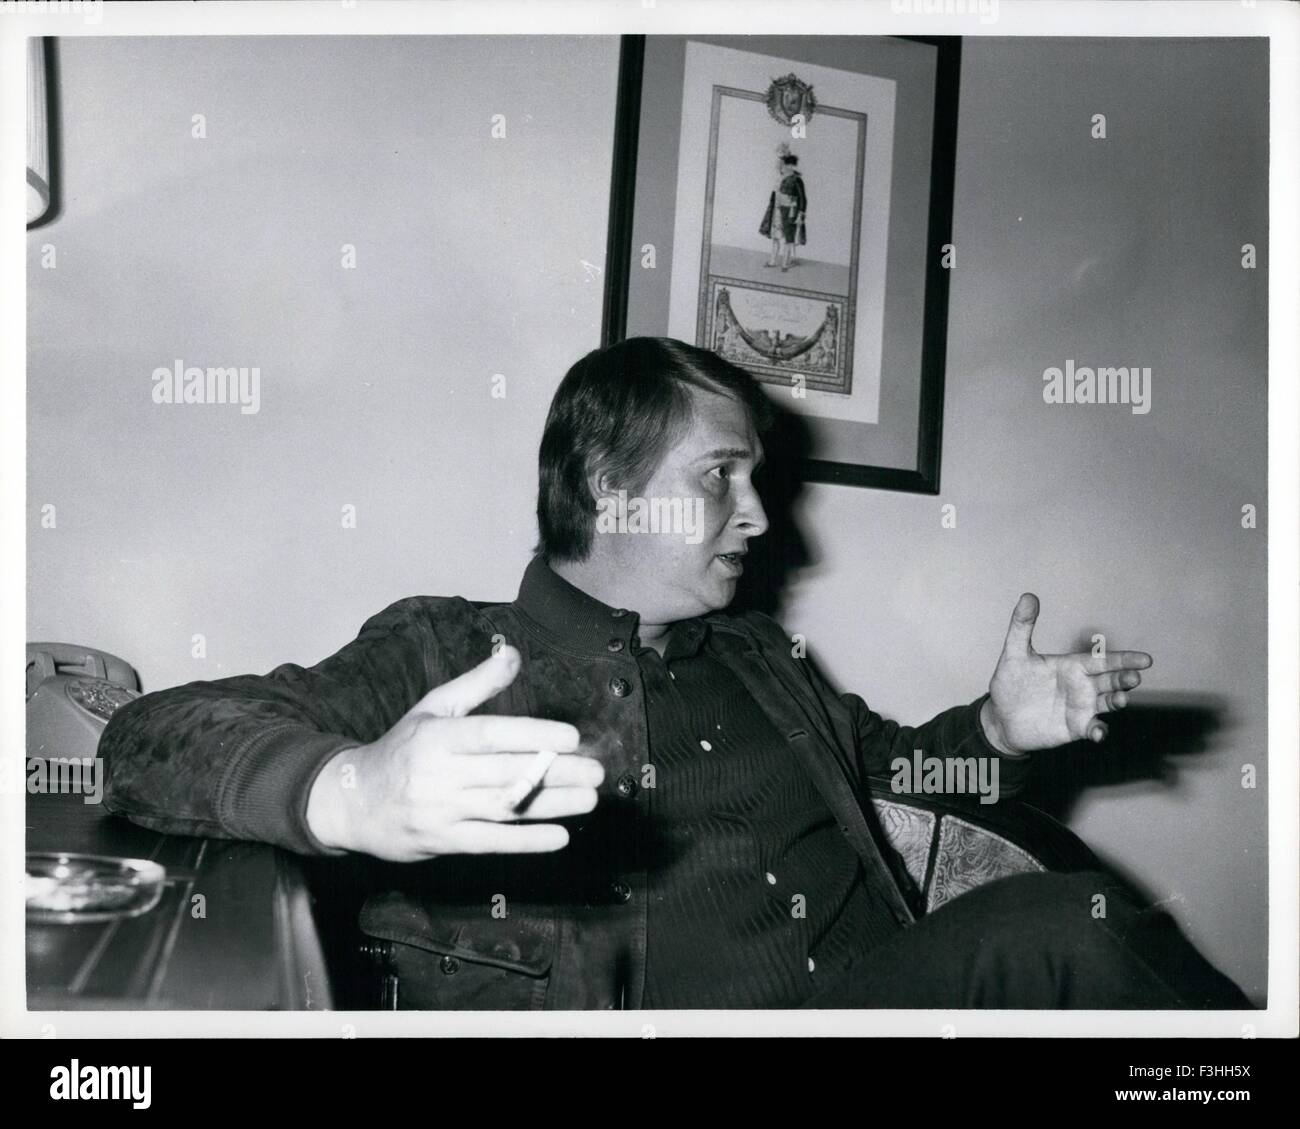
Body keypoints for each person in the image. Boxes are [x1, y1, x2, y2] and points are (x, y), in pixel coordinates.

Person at [100, 337, 1250, 1011]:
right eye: (721, 476)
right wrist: (350, 789)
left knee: (1072, 913)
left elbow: (899, 774)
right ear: (606, 482)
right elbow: (150, 734)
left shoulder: (761, 659)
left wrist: (994, 733)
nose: (757, 514)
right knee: (1068, 917)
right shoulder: (449, 650)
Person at [759, 147, 806, 272]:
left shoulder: (797, 180)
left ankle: (785, 264)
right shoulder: (779, 177)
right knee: (775, 236)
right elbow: (774, 194)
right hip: (777, 210)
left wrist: (800, 214)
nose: (781, 166)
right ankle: (772, 261)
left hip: (790, 212)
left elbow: (802, 198)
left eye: (784, 163)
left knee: (789, 238)